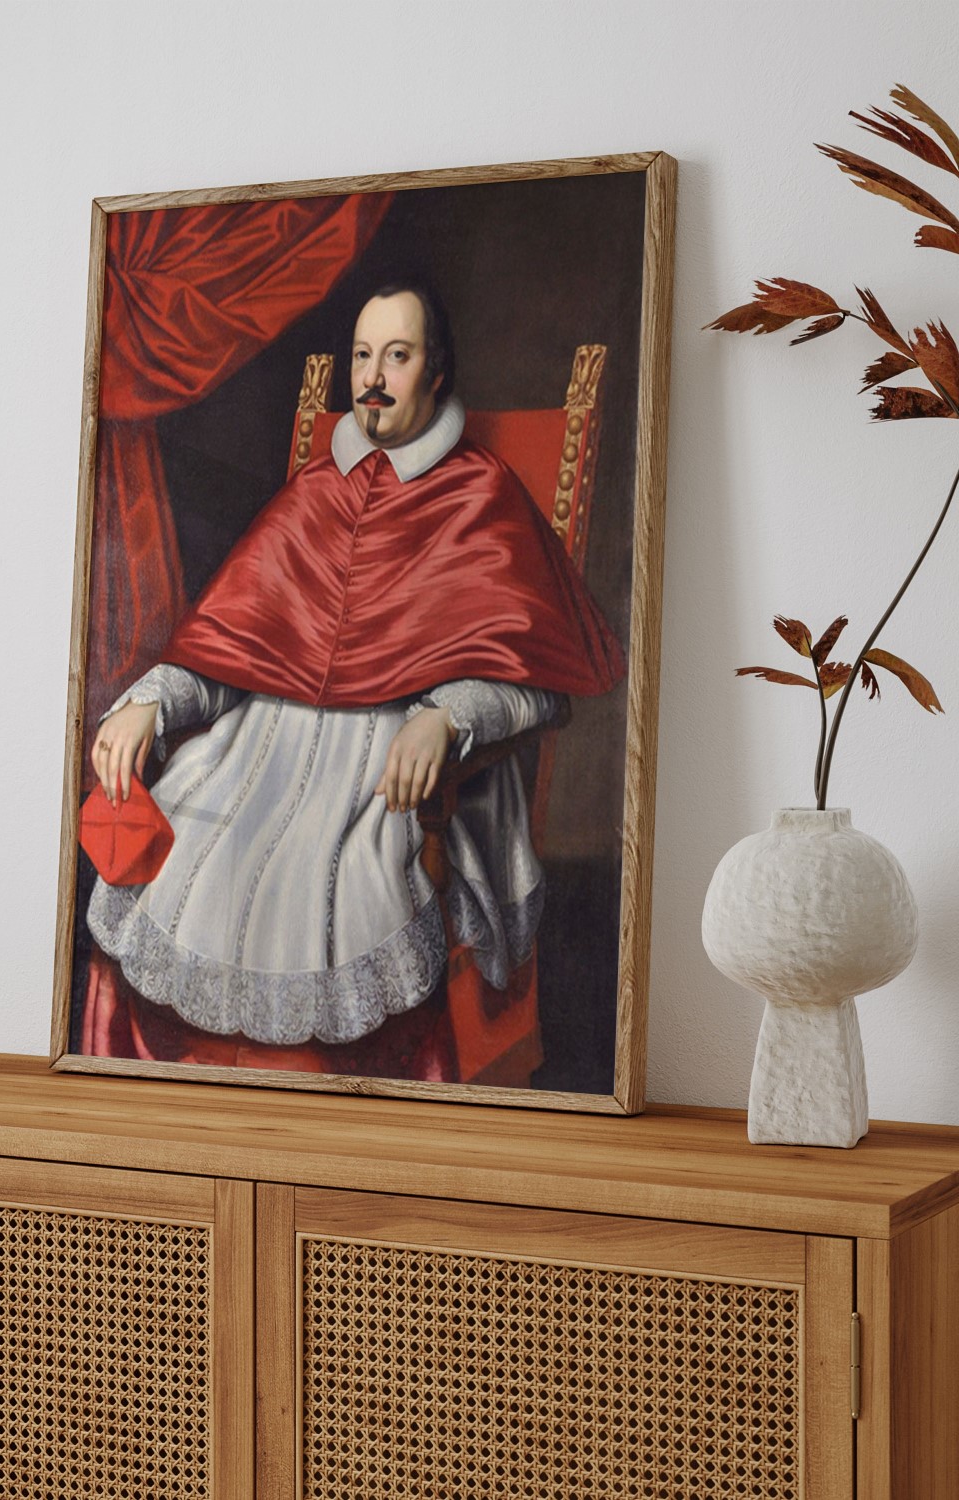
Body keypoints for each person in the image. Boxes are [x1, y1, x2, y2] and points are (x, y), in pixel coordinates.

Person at [80, 279, 624, 1079]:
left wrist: (445, 717)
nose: (372, 377)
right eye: (363, 356)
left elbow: (538, 685)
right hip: (253, 755)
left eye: (396, 356)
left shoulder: (481, 497)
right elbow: (234, 645)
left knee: (335, 878)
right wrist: (155, 701)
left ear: (437, 370)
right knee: (181, 846)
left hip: (382, 770)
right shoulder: (312, 493)